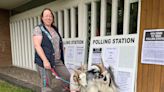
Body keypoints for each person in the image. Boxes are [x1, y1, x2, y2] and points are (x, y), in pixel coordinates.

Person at [33, 8, 70, 92]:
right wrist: (45, 61)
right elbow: (37, 45)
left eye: (50, 16)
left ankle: (65, 90)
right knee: (47, 85)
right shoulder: (38, 29)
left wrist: (61, 49)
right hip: (44, 61)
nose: (48, 18)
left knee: (67, 76)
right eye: (46, 16)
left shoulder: (54, 28)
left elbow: (55, 42)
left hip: (57, 60)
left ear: (52, 18)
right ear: (42, 18)